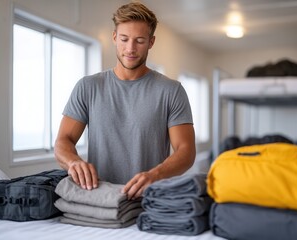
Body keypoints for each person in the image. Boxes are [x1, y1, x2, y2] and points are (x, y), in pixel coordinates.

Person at [54, 2, 196, 200]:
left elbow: (186, 151)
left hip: (150, 200)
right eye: (124, 39)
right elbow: (63, 141)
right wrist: (73, 162)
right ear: (114, 37)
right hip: (100, 200)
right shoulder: (88, 87)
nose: (130, 48)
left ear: (151, 42)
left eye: (139, 40)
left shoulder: (171, 91)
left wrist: (156, 175)